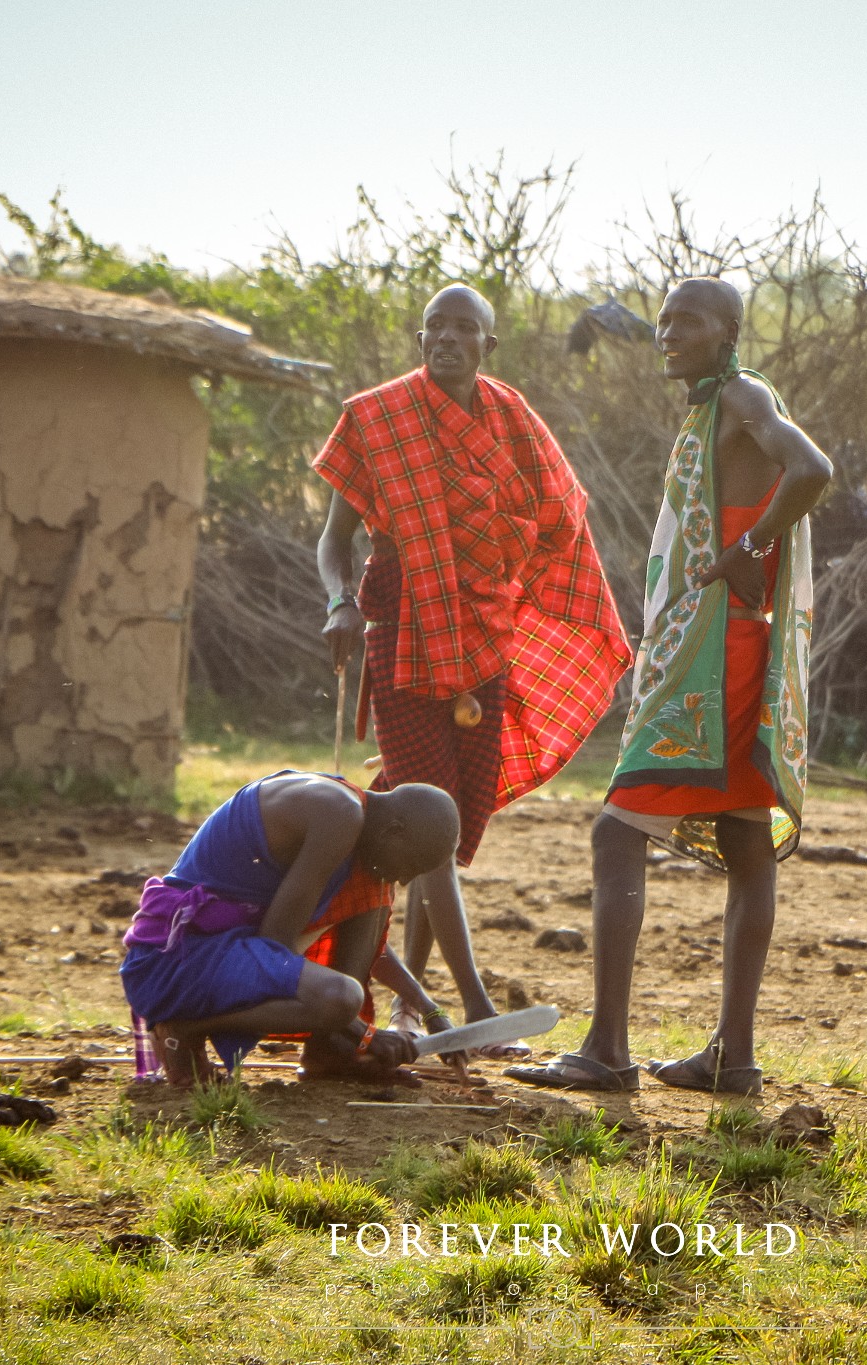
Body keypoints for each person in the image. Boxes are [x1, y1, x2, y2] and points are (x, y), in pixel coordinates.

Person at [508, 277, 832, 1097]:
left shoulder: (744, 394)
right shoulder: (711, 408)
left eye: (688, 318)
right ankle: (735, 1057)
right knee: (746, 843)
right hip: (731, 640)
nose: (667, 329)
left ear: (729, 332)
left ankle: (608, 1048)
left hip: (715, 648)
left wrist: (751, 546)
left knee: (618, 833)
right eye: (662, 318)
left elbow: (813, 468)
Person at [315, 283, 631, 1040]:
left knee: (444, 828)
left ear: (489, 345)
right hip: (403, 639)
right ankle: (476, 1002)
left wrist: (503, 573)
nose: (445, 338)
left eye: (463, 328)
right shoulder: (375, 417)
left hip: (485, 644)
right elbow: (334, 543)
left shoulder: (514, 418)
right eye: (434, 325)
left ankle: (407, 996)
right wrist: (339, 602)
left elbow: (561, 517)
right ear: (420, 336)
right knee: (435, 821)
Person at [119, 770, 460, 1086]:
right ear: (394, 830)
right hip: (173, 961)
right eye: (412, 865)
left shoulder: (351, 819)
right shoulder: (339, 814)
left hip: (220, 951)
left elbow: (368, 946)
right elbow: (276, 946)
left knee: (375, 890)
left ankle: (330, 1051)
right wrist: (363, 1032)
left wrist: (428, 1008)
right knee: (341, 998)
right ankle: (183, 1028)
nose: (405, 879)